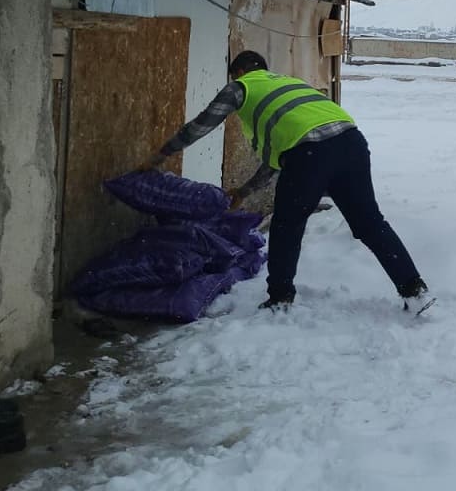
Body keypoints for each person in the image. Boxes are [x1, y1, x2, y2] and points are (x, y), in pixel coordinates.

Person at [143, 50, 431, 313]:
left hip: (310, 152)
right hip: (352, 143)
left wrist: (162, 154)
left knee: (286, 225)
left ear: (239, 72)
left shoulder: (242, 86)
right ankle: (414, 289)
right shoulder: (289, 85)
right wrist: (244, 191)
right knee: (371, 224)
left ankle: (280, 298)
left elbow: (204, 122)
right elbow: (276, 159)